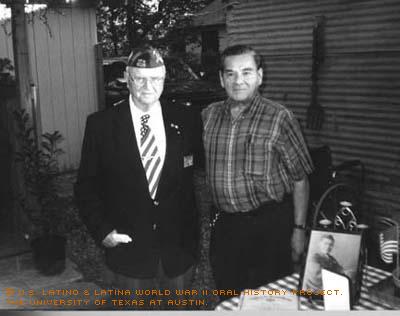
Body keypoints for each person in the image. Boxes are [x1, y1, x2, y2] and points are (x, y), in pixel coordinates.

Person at [74, 46, 198, 306]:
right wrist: (102, 230)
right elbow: (86, 187)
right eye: (139, 78)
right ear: (127, 80)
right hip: (128, 252)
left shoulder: (186, 119)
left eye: (155, 78)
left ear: (164, 80)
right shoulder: (101, 125)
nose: (147, 85)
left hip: (177, 251)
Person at [202, 44, 314, 297]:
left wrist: (298, 230)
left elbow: (300, 179)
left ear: (260, 76)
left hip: (269, 226)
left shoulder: (279, 117)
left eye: (246, 72)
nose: (238, 80)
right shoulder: (208, 116)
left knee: (270, 299)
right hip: (226, 226)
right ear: (221, 79)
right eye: (230, 73)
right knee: (229, 296)